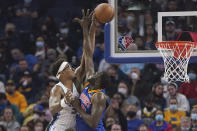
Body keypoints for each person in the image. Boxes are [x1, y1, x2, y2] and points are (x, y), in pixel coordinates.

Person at [46, 9, 97, 131]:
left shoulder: (77, 78)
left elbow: (88, 53)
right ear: (61, 74)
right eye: (68, 67)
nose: (73, 68)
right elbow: (52, 108)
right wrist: (65, 101)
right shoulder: (57, 88)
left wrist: (92, 26)